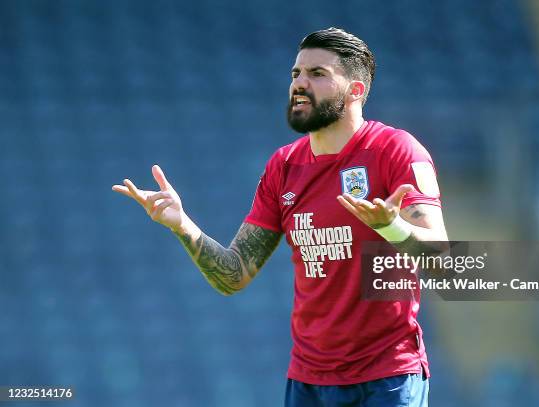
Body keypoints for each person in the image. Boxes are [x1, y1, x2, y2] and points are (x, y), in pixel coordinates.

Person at [113, 27, 448, 407]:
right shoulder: (283, 166)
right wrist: (180, 224)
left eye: (317, 74)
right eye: (295, 74)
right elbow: (234, 273)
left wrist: (390, 224)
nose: (299, 84)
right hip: (308, 380)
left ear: (356, 90)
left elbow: (441, 259)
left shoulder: (395, 150)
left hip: (386, 377)